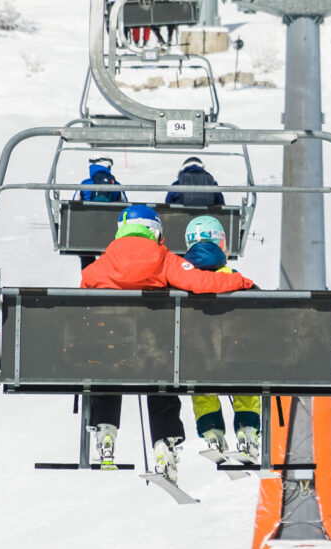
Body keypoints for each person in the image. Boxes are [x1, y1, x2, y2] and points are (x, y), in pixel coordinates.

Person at [80, 204, 254, 481]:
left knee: (106, 362)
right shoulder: (163, 258)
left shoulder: (102, 264)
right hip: (153, 352)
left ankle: (105, 429)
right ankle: (165, 443)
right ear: (155, 232)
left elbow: (84, 292)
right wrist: (239, 282)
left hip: (112, 352)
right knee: (162, 374)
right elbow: (200, 282)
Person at [179, 213, 267, 467]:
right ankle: (248, 430)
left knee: (198, 376)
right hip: (236, 358)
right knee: (246, 370)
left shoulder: (181, 279)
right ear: (222, 245)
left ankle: (212, 431)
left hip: (198, 361)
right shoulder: (237, 280)